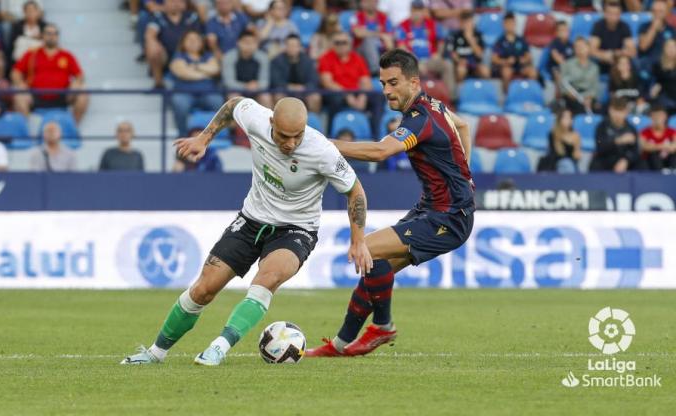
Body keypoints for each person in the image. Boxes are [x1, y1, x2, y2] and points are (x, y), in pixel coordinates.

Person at [120, 96, 372, 366]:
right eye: (284, 136)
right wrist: (204, 138)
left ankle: (218, 347)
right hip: (250, 221)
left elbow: (355, 191)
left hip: (296, 229)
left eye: (297, 136)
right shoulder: (256, 119)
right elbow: (233, 105)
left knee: (267, 279)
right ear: (271, 122)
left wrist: (358, 241)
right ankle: (155, 353)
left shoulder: (322, 151)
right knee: (204, 289)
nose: (290, 144)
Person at [307, 49, 474, 357]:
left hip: (448, 217)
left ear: (413, 81)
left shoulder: (420, 119)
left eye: (393, 83)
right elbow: (463, 127)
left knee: (367, 248)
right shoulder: (433, 105)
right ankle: (341, 345)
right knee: (375, 265)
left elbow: (380, 152)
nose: (386, 91)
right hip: (435, 209)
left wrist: (321, 144)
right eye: (383, 83)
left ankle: (383, 327)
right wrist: (465, 174)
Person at [11, 23, 89, 123]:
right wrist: (21, 84)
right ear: (42, 35)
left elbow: (80, 76)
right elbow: (15, 72)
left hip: (62, 96)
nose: (52, 36)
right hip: (35, 96)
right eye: (48, 33)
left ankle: (72, 128)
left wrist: (76, 83)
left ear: (58, 36)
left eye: (55, 34)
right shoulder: (32, 53)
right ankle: (27, 135)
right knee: (19, 96)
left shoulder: (67, 55)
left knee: (83, 93)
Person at [169, 30, 223, 137]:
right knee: (180, 104)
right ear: (183, 42)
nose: (193, 42)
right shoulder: (178, 56)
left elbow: (215, 69)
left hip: (208, 92)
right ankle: (182, 135)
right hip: (184, 93)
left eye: (196, 39)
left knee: (218, 102)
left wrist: (195, 67)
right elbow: (184, 73)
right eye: (189, 39)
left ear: (201, 43)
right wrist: (205, 73)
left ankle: (214, 135)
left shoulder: (208, 56)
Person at [145, 0, 203, 88]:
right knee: (152, 46)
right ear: (164, 3)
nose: (175, 3)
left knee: (195, 41)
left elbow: (198, 37)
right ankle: (159, 82)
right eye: (172, 1)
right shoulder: (158, 16)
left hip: (187, 54)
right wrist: (153, 43)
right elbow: (150, 34)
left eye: (179, 1)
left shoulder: (191, 16)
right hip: (166, 55)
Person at [317, 32, 372, 116]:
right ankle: (333, 127)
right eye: (337, 43)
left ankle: (375, 128)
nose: (341, 45)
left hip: (356, 91)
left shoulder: (358, 58)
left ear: (350, 44)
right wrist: (346, 94)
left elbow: (366, 81)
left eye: (344, 42)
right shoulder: (325, 58)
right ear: (333, 45)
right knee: (336, 99)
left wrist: (362, 96)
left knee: (377, 99)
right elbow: (327, 83)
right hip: (336, 92)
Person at [590, 97, 644, 172]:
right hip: (605, 160)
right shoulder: (602, 126)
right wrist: (619, 141)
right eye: (615, 111)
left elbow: (635, 151)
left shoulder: (631, 128)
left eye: (621, 111)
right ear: (610, 110)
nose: (618, 115)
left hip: (624, 161)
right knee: (595, 164)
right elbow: (600, 147)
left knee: (641, 165)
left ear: (626, 112)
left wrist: (626, 160)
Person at [270, 34, 320, 113]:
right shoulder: (277, 61)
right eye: (289, 45)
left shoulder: (307, 61)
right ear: (285, 47)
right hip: (284, 91)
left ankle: (312, 122)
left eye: (294, 45)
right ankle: (280, 121)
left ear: (300, 47)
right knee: (278, 96)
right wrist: (289, 87)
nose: (292, 48)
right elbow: (275, 81)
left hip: (304, 91)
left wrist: (304, 88)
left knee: (315, 97)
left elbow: (314, 80)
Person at [222, 30, 272, 108]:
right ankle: (235, 120)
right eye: (246, 42)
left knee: (265, 97)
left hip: (257, 90)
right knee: (233, 97)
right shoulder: (229, 57)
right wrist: (245, 86)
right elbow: (229, 82)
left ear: (257, 44)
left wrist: (256, 86)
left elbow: (265, 81)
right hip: (237, 90)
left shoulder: (263, 57)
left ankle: (267, 120)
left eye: (253, 42)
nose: (249, 45)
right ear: (238, 43)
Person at [491, 12, 537, 91]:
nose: (510, 25)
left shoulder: (521, 39)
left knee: (533, 72)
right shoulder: (500, 41)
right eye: (508, 23)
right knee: (506, 72)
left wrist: (524, 59)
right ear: (504, 24)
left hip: (519, 66)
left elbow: (528, 56)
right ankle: (507, 97)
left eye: (512, 23)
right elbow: (494, 59)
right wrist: (506, 61)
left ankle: (530, 95)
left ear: (515, 24)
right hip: (506, 67)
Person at [589, 1, 635, 74]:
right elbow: (592, 50)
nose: (613, 17)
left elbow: (632, 51)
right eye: (610, 14)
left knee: (631, 63)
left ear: (620, 14)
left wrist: (615, 54)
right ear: (605, 14)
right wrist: (604, 55)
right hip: (601, 60)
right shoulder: (598, 26)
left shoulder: (624, 27)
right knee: (591, 60)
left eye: (616, 14)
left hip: (618, 61)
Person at [444, 10, 489, 84]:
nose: (468, 25)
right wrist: (459, 60)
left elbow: (479, 54)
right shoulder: (455, 35)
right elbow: (452, 53)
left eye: (470, 22)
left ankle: (483, 92)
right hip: (461, 63)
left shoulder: (478, 35)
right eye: (465, 22)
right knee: (461, 70)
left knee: (485, 71)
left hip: (475, 63)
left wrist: (470, 39)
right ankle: (460, 93)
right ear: (461, 23)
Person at [351, 0, 394, 74]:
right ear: (362, 3)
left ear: (377, 3)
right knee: (369, 40)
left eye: (373, 1)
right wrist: (379, 34)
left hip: (381, 50)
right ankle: (375, 71)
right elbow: (358, 33)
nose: (370, 4)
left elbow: (389, 36)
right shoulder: (357, 16)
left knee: (390, 42)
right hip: (360, 50)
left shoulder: (383, 17)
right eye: (367, 1)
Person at [560, 37, 600, 114]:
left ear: (588, 48)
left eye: (582, 46)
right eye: (577, 46)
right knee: (577, 109)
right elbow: (563, 86)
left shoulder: (594, 67)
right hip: (572, 97)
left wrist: (588, 98)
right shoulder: (566, 64)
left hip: (589, 97)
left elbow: (595, 88)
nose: (579, 49)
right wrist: (575, 97)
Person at [536, 109, 581, 173]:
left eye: (570, 117)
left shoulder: (575, 135)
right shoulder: (553, 134)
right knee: (566, 163)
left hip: (571, 163)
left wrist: (575, 144)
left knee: (571, 165)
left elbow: (577, 155)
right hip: (556, 163)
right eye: (566, 118)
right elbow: (556, 153)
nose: (569, 120)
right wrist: (567, 141)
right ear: (560, 119)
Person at [638, 0, 675, 72]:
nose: (657, 14)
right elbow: (643, 47)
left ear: (666, 13)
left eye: (660, 11)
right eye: (654, 11)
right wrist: (653, 28)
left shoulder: (671, 30)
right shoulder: (644, 27)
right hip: (649, 64)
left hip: (666, 65)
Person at [640, 104, 676, 171]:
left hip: (668, 160)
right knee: (653, 154)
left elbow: (674, 145)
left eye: (660, 116)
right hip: (652, 164)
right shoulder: (645, 132)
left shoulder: (672, 131)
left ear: (665, 116)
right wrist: (663, 146)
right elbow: (643, 146)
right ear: (651, 117)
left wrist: (654, 146)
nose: (657, 119)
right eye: (655, 116)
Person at [651, 39, 676, 114]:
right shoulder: (657, 66)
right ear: (664, 48)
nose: (671, 49)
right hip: (665, 99)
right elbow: (656, 83)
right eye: (669, 47)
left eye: (674, 47)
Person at [547, 21, 574, 85]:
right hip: (556, 67)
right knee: (558, 75)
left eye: (566, 30)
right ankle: (558, 94)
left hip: (569, 68)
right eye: (562, 30)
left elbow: (574, 59)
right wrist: (567, 68)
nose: (565, 32)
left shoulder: (571, 44)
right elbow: (557, 58)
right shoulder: (554, 43)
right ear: (557, 32)